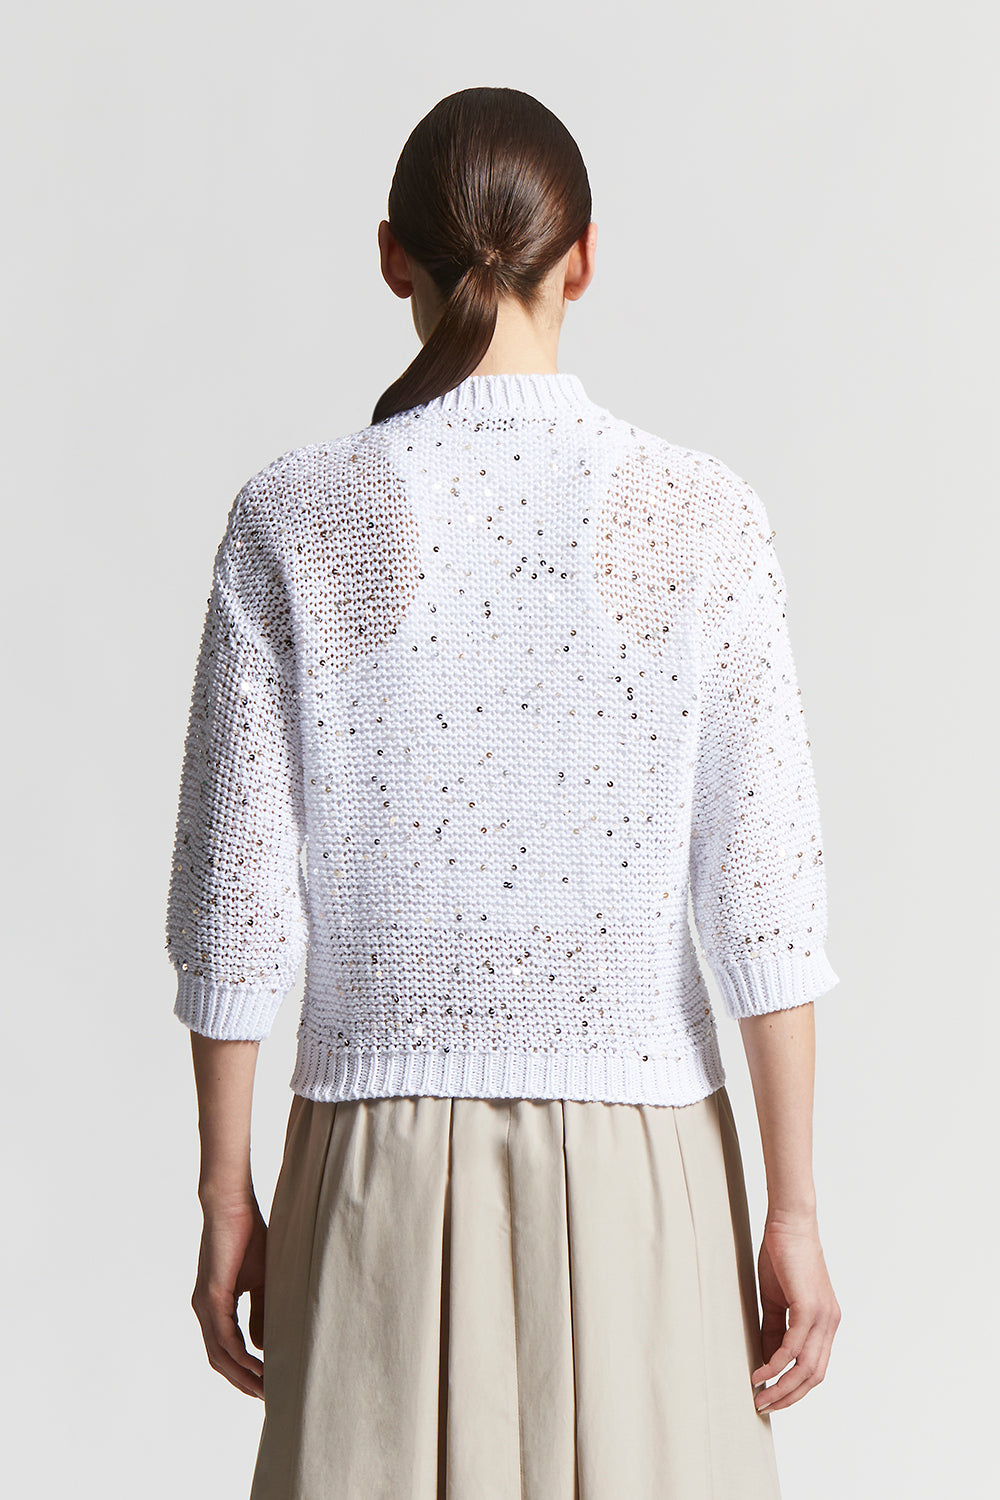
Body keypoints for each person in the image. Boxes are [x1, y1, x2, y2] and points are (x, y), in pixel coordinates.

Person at [165, 85, 842, 1500]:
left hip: (375, 1167)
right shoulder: (702, 517)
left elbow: (234, 907)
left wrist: (228, 1194)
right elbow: (764, 902)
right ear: (581, 258)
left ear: (391, 258)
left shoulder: (293, 518)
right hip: (647, 1172)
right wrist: (793, 1207)